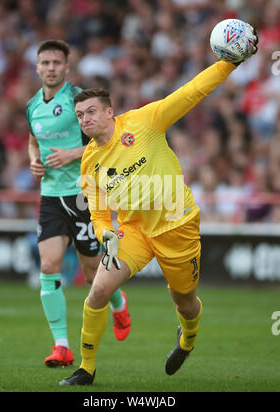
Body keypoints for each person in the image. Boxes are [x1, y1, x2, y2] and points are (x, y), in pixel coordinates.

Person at [60, 28, 258, 385]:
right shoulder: (89, 163)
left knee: (185, 302)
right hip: (134, 230)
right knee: (100, 289)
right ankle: (86, 369)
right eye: (79, 115)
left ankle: (187, 338)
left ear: (110, 112)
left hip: (176, 225)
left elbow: (191, 92)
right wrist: (107, 236)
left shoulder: (144, 121)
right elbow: (99, 212)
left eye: (91, 111)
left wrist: (230, 63)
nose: (85, 119)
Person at [26, 40, 131, 368]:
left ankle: (117, 301)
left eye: (57, 62)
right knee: (48, 266)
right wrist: (34, 161)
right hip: (51, 197)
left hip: (84, 194)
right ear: (38, 67)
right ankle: (61, 346)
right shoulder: (32, 106)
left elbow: (107, 138)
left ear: (67, 67)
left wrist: (72, 154)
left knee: (90, 275)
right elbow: (33, 140)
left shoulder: (80, 100)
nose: (51, 67)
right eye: (46, 62)